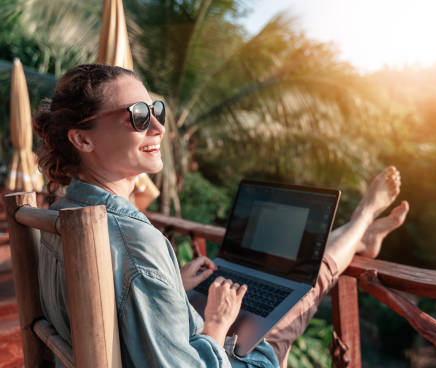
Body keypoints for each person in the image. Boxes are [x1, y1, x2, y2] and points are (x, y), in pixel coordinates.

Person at [34, 64, 409, 368]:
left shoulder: (64, 211)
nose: (159, 127)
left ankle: (358, 232)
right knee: (308, 279)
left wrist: (169, 290)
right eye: (136, 116)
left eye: (156, 110)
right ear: (82, 140)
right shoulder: (134, 241)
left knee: (287, 275)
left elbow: (116, 311)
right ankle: (361, 220)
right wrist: (216, 322)